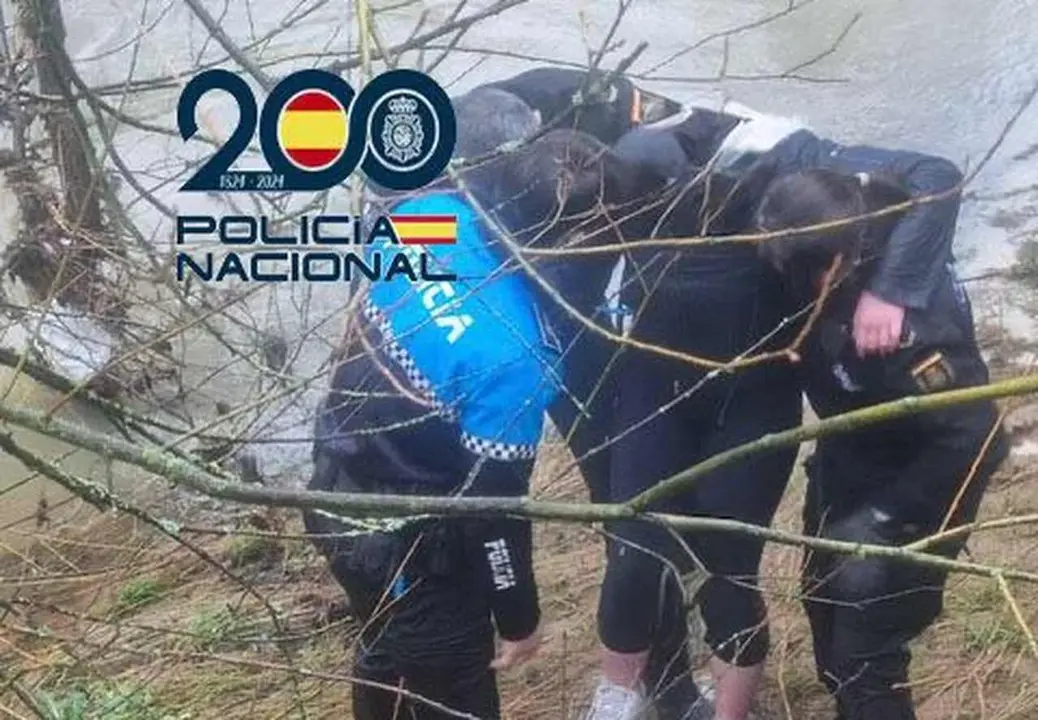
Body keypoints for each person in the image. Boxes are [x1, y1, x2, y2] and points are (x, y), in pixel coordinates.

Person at [305, 91, 673, 717]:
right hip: (411, 541)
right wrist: (518, 615)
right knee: (454, 696)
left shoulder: (425, 212)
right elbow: (494, 509)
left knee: (381, 652)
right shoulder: (514, 359)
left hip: (331, 475)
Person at [753, 166, 1009, 720]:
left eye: (796, 268)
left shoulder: (914, 331)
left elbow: (980, 437)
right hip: (849, 459)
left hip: (919, 492)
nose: (784, 278)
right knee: (823, 606)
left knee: (867, 651)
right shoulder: (818, 238)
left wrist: (887, 518)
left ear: (839, 259)